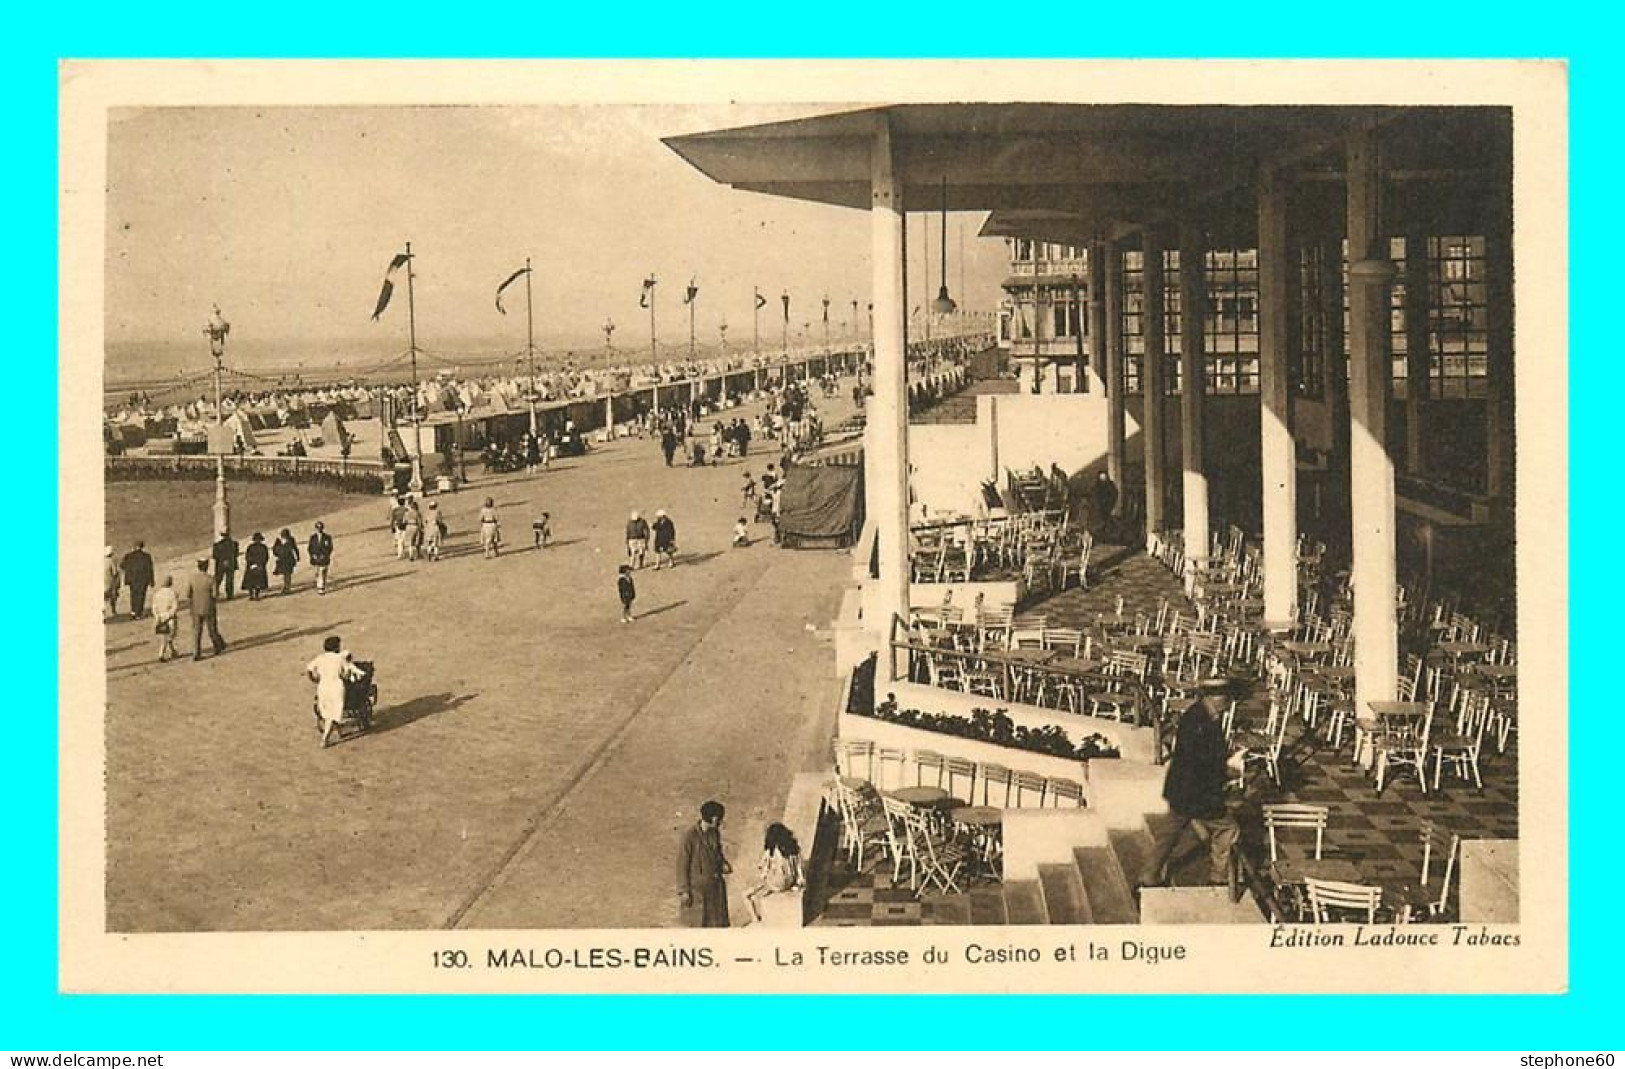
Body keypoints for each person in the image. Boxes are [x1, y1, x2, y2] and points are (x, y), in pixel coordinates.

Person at [1137, 677, 1242, 899]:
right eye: (1225, 698)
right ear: (1214, 698)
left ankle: (1148, 877)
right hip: (1198, 793)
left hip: (1182, 791)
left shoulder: (1198, 716)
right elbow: (1201, 763)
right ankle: (1218, 878)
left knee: (1170, 834)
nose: (1228, 703)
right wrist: (1227, 772)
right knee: (1227, 829)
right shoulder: (1202, 723)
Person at [676, 800, 732, 928]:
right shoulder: (689, 837)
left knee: (716, 926)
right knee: (698, 925)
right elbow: (682, 865)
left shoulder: (715, 834)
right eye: (719, 819)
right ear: (713, 818)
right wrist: (684, 891)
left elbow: (717, 854)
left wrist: (723, 864)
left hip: (715, 889)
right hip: (697, 893)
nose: (721, 822)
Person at [307, 635, 365, 748]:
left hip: (323, 687)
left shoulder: (320, 658)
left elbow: (309, 669)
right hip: (336, 687)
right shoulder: (340, 659)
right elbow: (346, 673)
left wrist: (314, 679)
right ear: (336, 647)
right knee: (333, 713)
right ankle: (325, 739)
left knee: (328, 711)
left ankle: (339, 731)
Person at [743, 823, 804, 923]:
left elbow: (764, 868)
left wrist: (763, 875)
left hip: (776, 883)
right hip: (790, 882)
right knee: (761, 892)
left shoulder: (772, 851)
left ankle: (755, 919)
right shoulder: (793, 849)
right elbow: (799, 869)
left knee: (746, 894)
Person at [187, 558, 227, 660]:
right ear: (207, 566)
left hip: (196, 607)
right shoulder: (210, 579)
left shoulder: (192, 578)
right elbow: (215, 594)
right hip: (209, 606)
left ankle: (196, 652)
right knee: (212, 629)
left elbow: (188, 594)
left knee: (197, 631)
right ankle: (218, 645)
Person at [121, 541, 154, 619]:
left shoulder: (128, 556)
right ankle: (139, 613)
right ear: (142, 547)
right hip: (143, 579)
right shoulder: (147, 556)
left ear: (134, 547)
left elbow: (122, 566)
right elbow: (149, 569)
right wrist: (151, 581)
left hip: (133, 579)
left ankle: (133, 612)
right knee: (141, 595)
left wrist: (128, 572)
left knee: (133, 595)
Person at [151, 575, 179, 662]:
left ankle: (173, 651)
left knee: (165, 637)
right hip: (169, 618)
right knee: (169, 637)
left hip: (159, 618)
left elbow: (154, 607)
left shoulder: (157, 593)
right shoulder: (172, 593)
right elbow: (175, 607)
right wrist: (168, 616)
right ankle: (161, 654)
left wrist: (157, 616)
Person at [1090, 470, 1119, 541]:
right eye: (1101, 477)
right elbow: (1093, 495)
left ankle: (1108, 534)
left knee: (1107, 521)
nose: (1103, 478)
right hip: (1099, 507)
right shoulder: (1096, 485)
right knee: (1099, 522)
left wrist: (1110, 503)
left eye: (1104, 477)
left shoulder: (1110, 485)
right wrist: (1097, 504)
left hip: (1108, 506)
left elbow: (1114, 494)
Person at [212, 530, 240, 600]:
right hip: (231, 564)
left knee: (218, 580)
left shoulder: (217, 545)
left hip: (220, 564)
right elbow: (236, 554)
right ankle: (229, 595)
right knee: (229, 580)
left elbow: (215, 556)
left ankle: (215, 593)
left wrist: (223, 560)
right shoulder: (234, 544)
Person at [307, 521, 334, 594]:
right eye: (318, 528)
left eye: (320, 528)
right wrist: (313, 555)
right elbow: (310, 548)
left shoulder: (327, 537)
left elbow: (330, 548)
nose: (319, 529)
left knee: (322, 572)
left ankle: (321, 587)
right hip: (315, 558)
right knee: (317, 572)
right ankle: (319, 584)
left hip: (324, 558)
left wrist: (324, 555)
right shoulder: (313, 538)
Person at [242, 532, 270, 601]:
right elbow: (266, 557)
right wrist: (260, 564)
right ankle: (255, 595)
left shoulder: (250, 547)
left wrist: (252, 564)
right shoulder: (263, 547)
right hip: (260, 566)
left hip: (252, 566)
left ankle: (252, 595)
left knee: (251, 582)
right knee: (258, 582)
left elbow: (248, 557)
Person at [272, 529, 300, 595]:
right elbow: (274, 549)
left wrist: (298, 556)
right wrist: (277, 553)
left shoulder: (291, 540)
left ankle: (287, 588)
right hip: (282, 560)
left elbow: (295, 548)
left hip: (288, 559)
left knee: (287, 574)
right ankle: (286, 587)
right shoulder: (278, 541)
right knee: (285, 574)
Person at [103, 547, 122, 619]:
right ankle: (113, 611)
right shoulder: (111, 561)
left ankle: (103, 615)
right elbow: (115, 572)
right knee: (113, 598)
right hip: (109, 583)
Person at [404, 496, 424, 561]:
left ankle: (411, 555)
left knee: (410, 542)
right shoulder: (417, 513)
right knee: (418, 541)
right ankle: (418, 554)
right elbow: (420, 521)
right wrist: (421, 528)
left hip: (408, 526)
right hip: (415, 526)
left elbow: (404, 521)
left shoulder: (406, 513)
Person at [389, 495, 409, 560]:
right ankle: (402, 553)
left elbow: (392, 519)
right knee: (403, 540)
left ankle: (400, 554)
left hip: (398, 525)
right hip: (405, 526)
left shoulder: (395, 510)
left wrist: (392, 527)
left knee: (399, 540)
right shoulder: (406, 509)